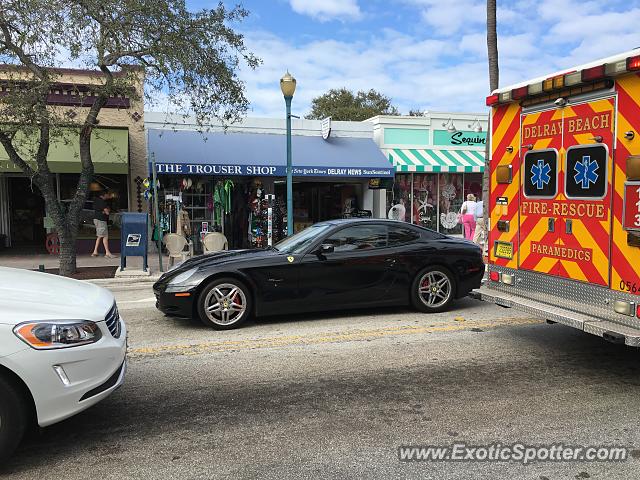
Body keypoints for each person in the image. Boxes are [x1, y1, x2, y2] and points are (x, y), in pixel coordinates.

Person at [92, 190, 115, 258]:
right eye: (107, 195)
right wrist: (107, 211)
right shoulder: (102, 202)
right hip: (101, 220)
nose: (108, 196)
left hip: (96, 219)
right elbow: (107, 212)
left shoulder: (96, 201)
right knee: (105, 236)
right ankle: (107, 253)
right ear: (103, 195)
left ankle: (95, 252)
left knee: (100, 235)